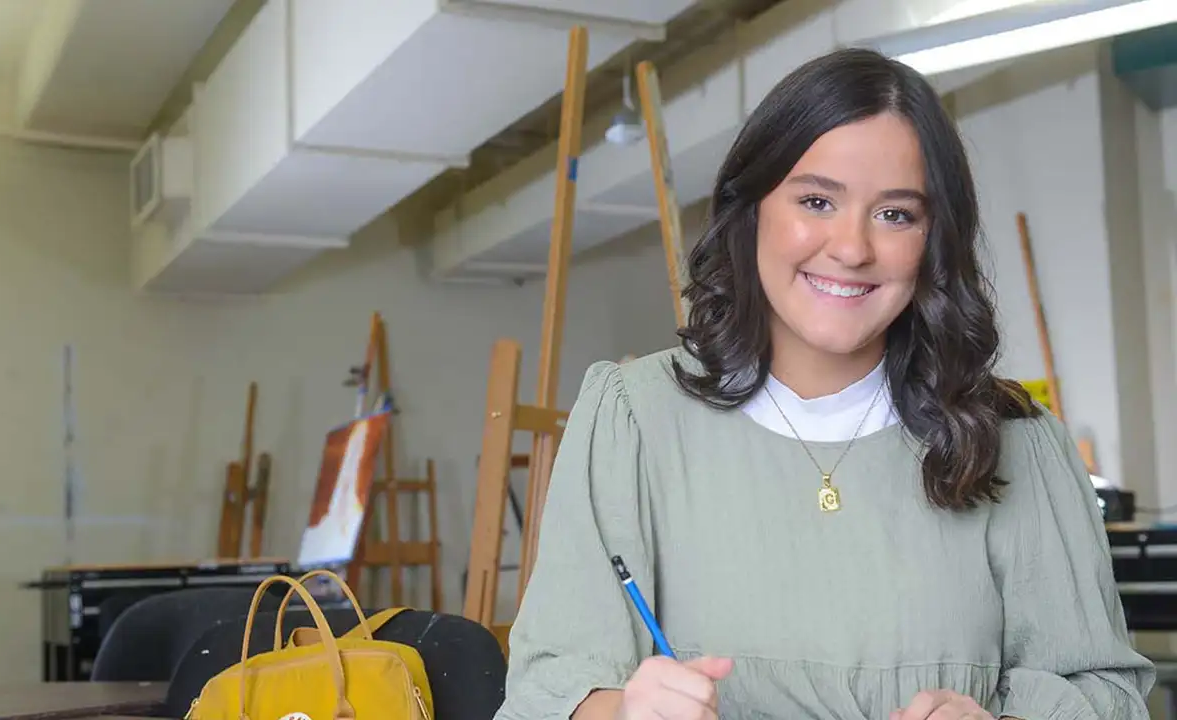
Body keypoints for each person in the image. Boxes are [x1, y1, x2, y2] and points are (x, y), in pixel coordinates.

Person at [494, 48, 1155, 720]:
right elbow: (545, 695)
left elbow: (1108, 698)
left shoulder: (1019, 443)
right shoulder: (631, 420)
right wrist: (624, 713)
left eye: (896, 214)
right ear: (751, 209)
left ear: (934, 239)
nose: (852, 248)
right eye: (817, 200)